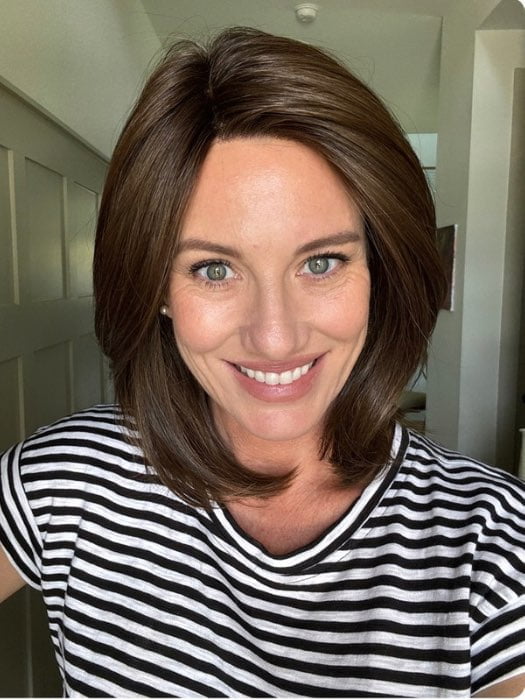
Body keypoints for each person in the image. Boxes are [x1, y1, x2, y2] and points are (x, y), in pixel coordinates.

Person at [0, 27, 524, 698]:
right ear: (157, 289)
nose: (275, 337)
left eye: (321, 262)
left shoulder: (491, 546)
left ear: (378, 272)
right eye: (214, 269)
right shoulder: (63, 481)